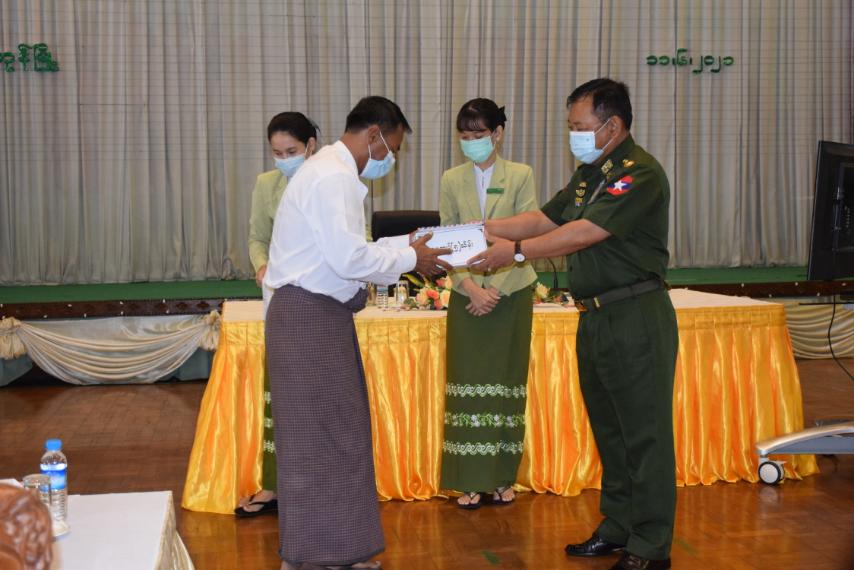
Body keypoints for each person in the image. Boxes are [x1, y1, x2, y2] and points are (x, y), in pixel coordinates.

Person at [469, 78, 678, 570]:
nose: (574, 135)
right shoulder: (589, 174)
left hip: (635, 316)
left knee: (644, 434)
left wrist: (515, 252)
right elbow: (544, 220)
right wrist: (477, 229)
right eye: (571, 126)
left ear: (613, 126)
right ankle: (619, 525)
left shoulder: (639, 174)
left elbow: (583, 232)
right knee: (611, 430)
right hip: (596, 316)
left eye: (580, 126)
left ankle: (651, 543)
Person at [264, 96, 452, 570]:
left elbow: (348, 250)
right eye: (393, 147)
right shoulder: (333, 177)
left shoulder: (329, 171)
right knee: (322, 439)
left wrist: (408, 245)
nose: (390, 158)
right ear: (374, 135)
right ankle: (320, 554)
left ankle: (336, 551)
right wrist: (413, 258)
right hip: (309, 318)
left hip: (312, 317)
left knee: (331, 436)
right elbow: (348, 259)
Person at [438, 98, 538, 509]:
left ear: (497, 134)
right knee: (468, 388)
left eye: (478, 134)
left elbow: (528, 235)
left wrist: (494, 287)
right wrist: (471, 288)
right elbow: (445, 242)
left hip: (511, 294)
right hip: (467, 298)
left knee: (505, 386)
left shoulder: (521, 175)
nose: (471, 141)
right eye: (464, 135)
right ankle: (468, 481)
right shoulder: (451, 179)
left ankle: (501, 477)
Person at [236, 112, 319, 518]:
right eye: (277, 153)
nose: (284, 159)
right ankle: (276, 484)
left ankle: (317, 485)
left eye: (292, 151)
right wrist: (262, 265)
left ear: (311, 146)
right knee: (281, 394)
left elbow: (357, 240)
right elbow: (257, 238)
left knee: (315, 397)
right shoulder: (266, 185)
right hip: (279, 300)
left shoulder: (329, 182)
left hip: (318, 302)